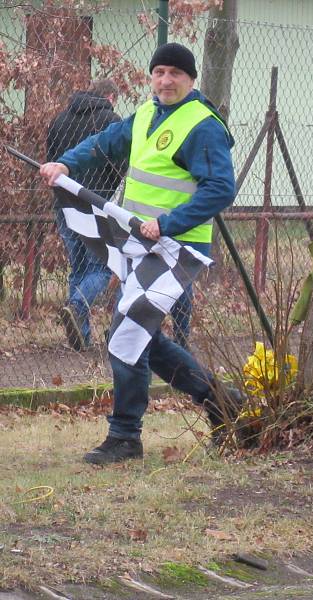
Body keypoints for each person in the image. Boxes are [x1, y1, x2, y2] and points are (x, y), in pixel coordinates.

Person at [40, 43, 239, 464]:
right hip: (142, 244)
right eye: (159, 72)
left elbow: (221, 189)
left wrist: (168, 224)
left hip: (178, 248)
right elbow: (103, 143)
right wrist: (66, 166)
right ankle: (226, 404)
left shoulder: (202, 125)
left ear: (191, 80)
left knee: (126, 334)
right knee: (142, 336)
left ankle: (125, 437)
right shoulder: (147, 113)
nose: (165, 81)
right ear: (151, 77)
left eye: (175, 74)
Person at [47, 79, 123, 351]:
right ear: (110, 96)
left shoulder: (59, 120)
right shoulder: (111, 120)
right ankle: (77, 306)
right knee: (103, 266)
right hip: (97, 203)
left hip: (65, 205)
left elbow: (52, 161)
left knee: (78, 268)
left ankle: (81, 338)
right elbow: (120, 165)